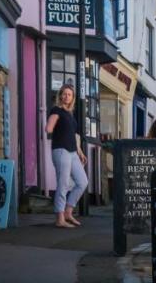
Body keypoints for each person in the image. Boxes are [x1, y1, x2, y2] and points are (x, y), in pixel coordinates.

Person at [45, 84, 88, 229]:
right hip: (61, 151)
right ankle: (59, 218)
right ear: (60, 95)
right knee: (63, 184)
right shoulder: (56, 110)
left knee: (82, 182)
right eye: (64, 94)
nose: (66, 97)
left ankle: (68, 211)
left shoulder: (70, 114)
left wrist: (80, 152)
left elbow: (74, 136)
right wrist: (54, 125)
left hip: (72, 152)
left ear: (72, 98)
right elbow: (48, 128)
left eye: (69, 94)